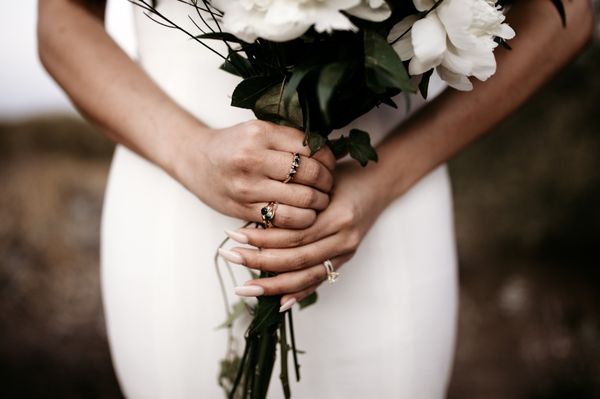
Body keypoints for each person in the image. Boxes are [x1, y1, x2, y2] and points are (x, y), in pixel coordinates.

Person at [38, 0, 594, 397]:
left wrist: (385, 181)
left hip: (382, 211)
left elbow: (566, 15)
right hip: (174, 204)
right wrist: (190, 153)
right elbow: (59, 18)